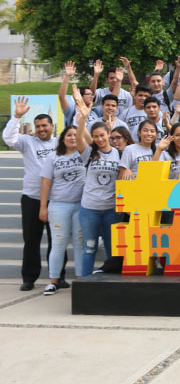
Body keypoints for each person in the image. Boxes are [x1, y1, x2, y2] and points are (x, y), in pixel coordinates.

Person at [3, 97, 60, 291]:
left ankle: (57, 276)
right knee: (31, 240)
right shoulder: (27, 141)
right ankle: (29, 278)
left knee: (57, 240)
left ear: (52, 126)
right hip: (31, 198)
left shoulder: (61, 143)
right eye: (38, 126)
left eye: (45, 125)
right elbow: (8, 139)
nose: (41, 129)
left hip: (57, 199)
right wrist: (17, 117)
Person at [38, 126, 85, 294]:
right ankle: (53, 281)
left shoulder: (84, 154)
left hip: (81, 205)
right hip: (59, 205)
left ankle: (81, 279)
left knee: (80, 244)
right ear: (62, 138)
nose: (73, 138)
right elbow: (45, 182)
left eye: (75, 135)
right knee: (58, 244)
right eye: (69, 135)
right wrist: (43, 207)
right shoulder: (53, 157)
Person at [76, 113, 122, 276]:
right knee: (90, 248)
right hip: (90, 209)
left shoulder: (119, 153)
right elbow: (79, 136)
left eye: (102, 135)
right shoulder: (89, 153)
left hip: (111, 209)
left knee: (112, 249)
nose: (99, 139)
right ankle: (85, 283)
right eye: (95, 136)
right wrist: (83, 119)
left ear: (109, 134)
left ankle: (112, 284)